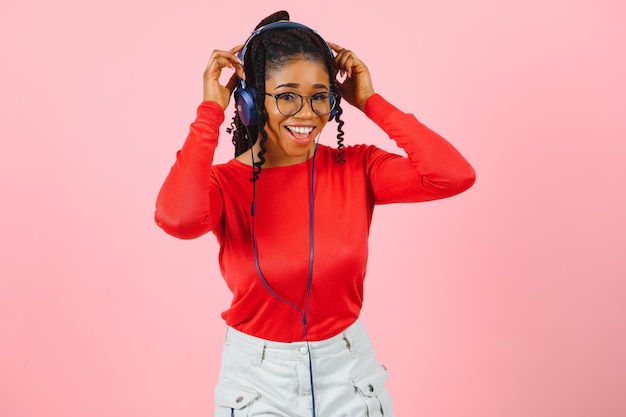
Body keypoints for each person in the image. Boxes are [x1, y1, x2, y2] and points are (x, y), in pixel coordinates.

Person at [155, 10, 475, 417]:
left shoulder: (358, 167)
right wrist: (210, 114)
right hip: (257, 381)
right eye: (287, 95)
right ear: (251, 102)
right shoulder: (223, 185)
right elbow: (177, 220)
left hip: (349, 373)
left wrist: (371, 102)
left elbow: (453, 176)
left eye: (320, 96)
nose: (307, 113)